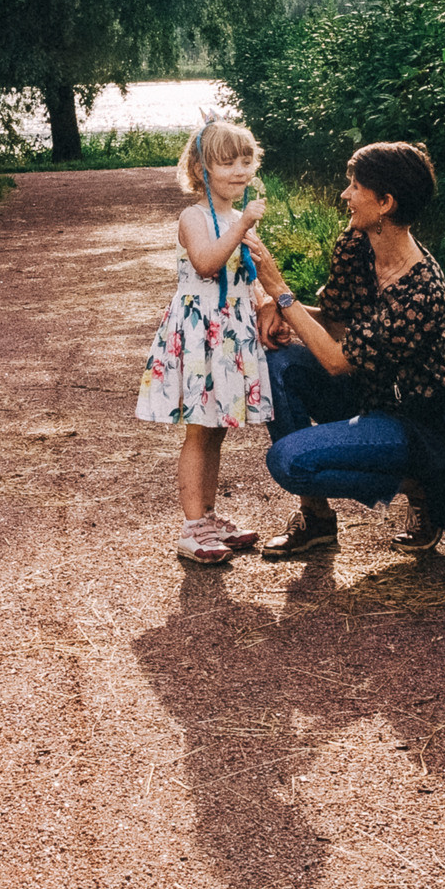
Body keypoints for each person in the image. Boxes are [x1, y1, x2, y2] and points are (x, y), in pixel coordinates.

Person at [245, 140, 445, 558]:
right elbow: (336, 324)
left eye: (355, 186)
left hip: (415, 422)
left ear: (385, 202)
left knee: (289, 463)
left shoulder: (421, 291)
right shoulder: (355, 244)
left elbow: (336, 361)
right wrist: (274, 308)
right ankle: (317, 521)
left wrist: (279, 291)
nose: (345, 195)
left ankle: (422, 484)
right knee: (277, 364)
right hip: (365, 392)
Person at [134, 118, 272, 562]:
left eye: (246, 159)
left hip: (229, 334)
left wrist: (266, 303)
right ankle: (192, 527)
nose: (239, 169)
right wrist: (242, 228)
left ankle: (209, 519)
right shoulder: (193, 217)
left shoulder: (236, 219)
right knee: (199, 430)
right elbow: (208, 262)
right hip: (199, 335)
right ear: (202, 168)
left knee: (215, 431)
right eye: (227, 161)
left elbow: (245, 277)